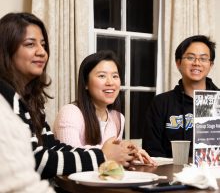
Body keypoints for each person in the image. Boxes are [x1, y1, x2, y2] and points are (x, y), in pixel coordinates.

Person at [0, 12, 136, 185]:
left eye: (43, 45)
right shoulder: (5, 97)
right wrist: (102, 155)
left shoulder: (29, 99)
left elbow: (52, 147)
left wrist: (121, 152)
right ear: (6, 49)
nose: (42, 52)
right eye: (30, 44)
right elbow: (34, 161)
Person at [54, 50, 156, 166]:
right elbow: (71, 157)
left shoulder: (118, 118)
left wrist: (131, 153)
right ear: (86, 83)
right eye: (102, 76)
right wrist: (116, 152)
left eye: (115, 76)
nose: (110, 82)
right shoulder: (70, 112)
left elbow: (112, 163)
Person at [142, 35, 219, 158]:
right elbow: (151, 151)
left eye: (203, 59)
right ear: (178, 63)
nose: (197, 63)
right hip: (170, 174)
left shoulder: (218, 101)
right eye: (190, 57)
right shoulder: (161, 103)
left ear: (211, 65)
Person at [0, 94, 55, 193]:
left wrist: (91, 153)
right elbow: (37, 158)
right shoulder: (8, 98)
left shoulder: (33, 99)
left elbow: (52, 146)